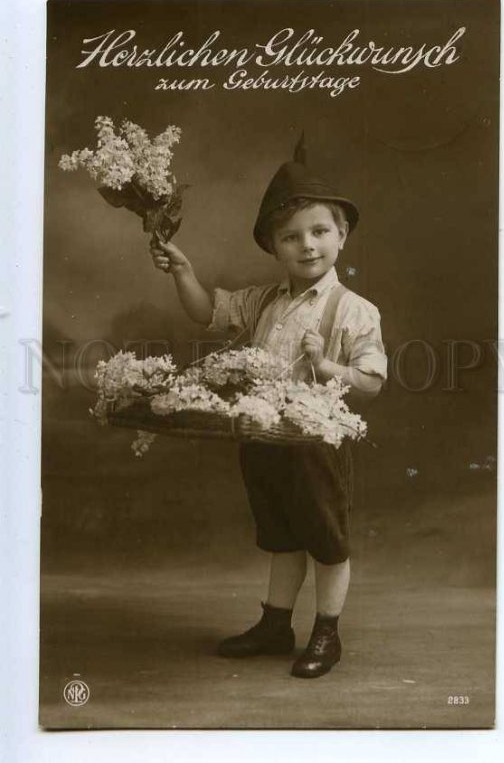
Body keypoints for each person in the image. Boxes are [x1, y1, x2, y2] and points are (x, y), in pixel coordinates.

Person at [150, 136, 387, 678]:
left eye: (320, 232)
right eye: (291, 237)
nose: (307, 246)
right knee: (281, 536)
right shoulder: (261, 302)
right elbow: (207, 313)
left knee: (326, 542)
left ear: (342, 235)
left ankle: (327, 633)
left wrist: (328, 370)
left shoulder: (353, 310)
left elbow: (372, 379)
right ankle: (275, 625)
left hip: (314, 447)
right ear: (274, 248)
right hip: (261, 440)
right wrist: (183, 271)